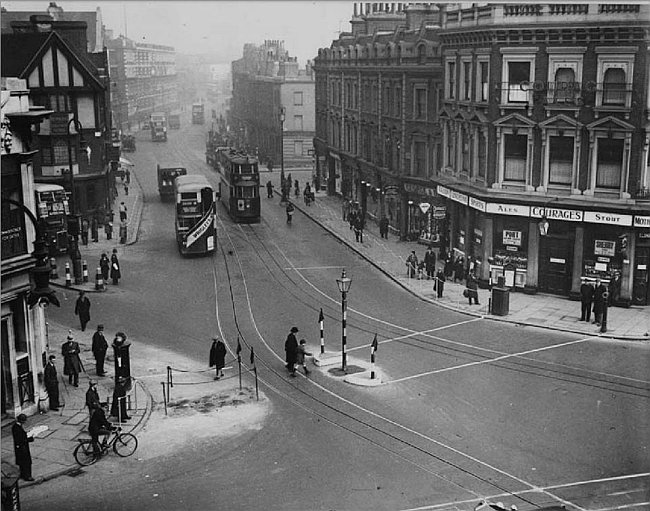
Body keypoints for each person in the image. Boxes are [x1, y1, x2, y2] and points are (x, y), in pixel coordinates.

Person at [12, 414, 35, 481]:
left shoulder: (16, 426)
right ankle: (27, 476)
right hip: (22, 448)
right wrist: (30, 439)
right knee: (26, 462)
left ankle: (23, 474)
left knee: (22, 462)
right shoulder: (17, 428)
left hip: (19, 448)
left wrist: (27, 434)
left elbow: (22, 435)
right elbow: (21, 439)